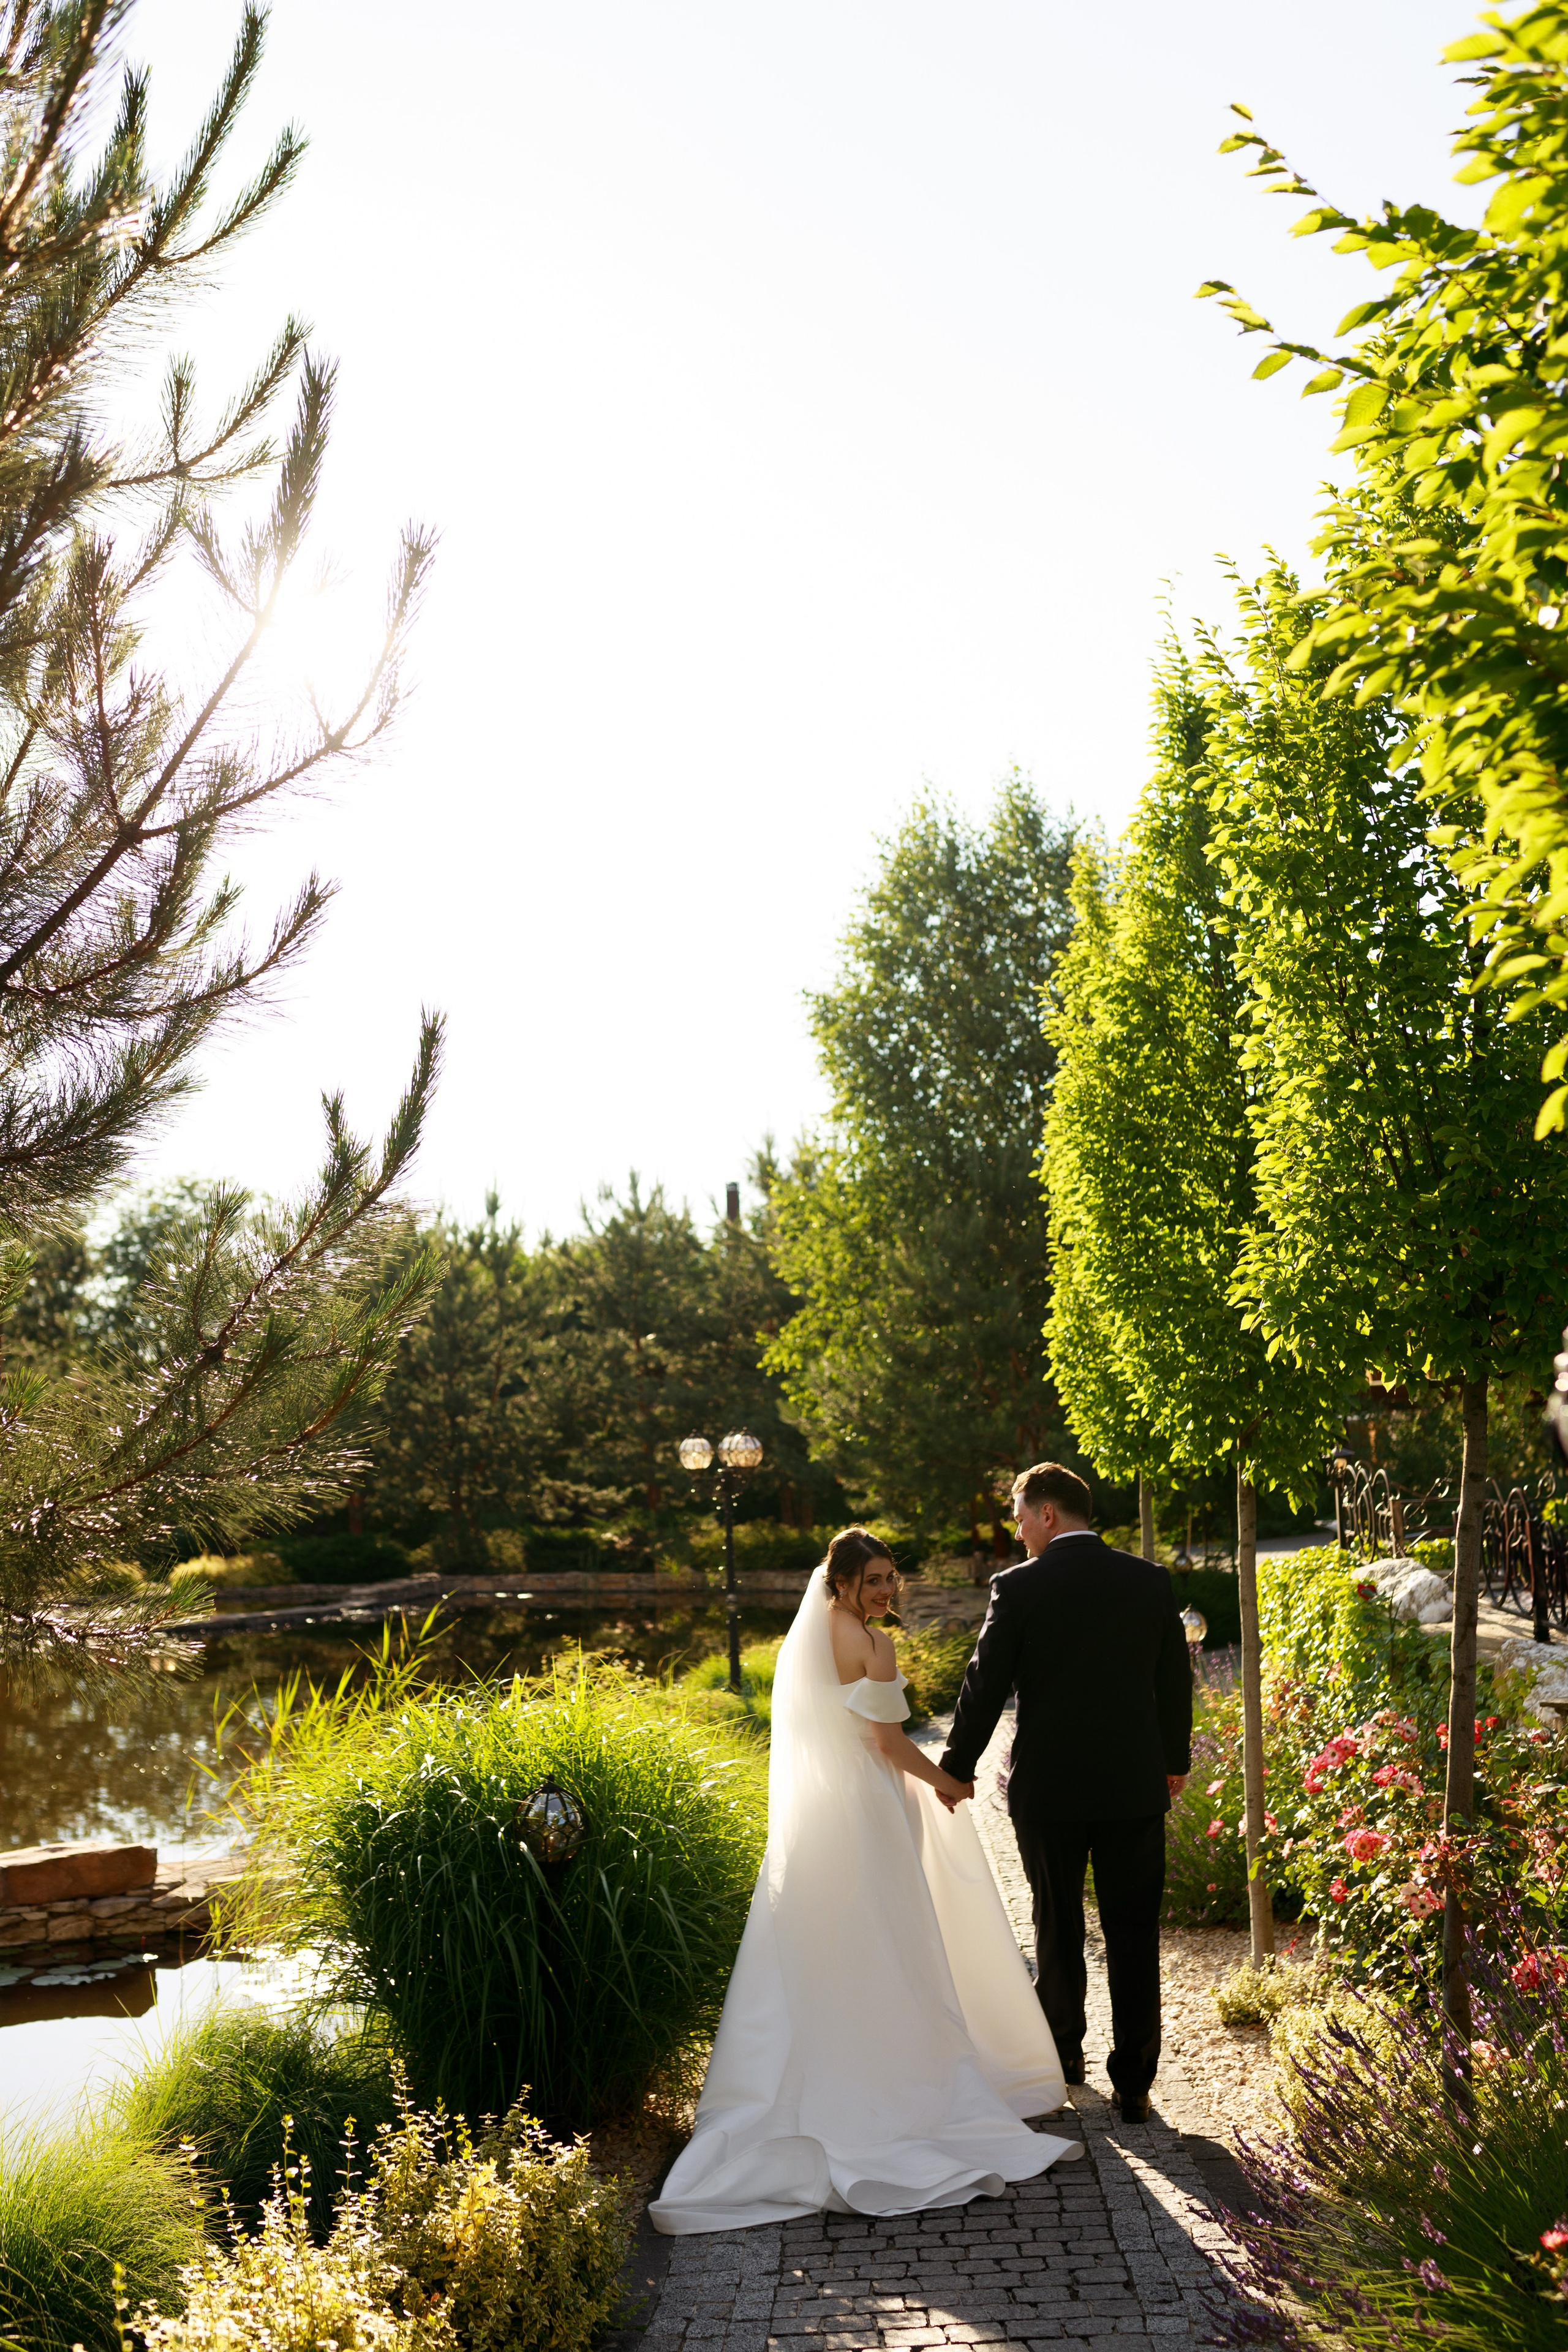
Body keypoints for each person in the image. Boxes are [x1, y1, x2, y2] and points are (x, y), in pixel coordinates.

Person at [649, 1526, 1082, 2234]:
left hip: (823, 1813)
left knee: (835, 1940)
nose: (886, 1590)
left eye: (891, 1578)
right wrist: (949, 1783)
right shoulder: (871, 1643)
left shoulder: (811, 1633)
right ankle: (895, 2084)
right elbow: (885, 1741)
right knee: (889, 1938)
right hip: (869, 1806)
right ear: (842, 1577)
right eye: (874, 1579)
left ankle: (825, 2070)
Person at [938, 1464, 1192, 2125]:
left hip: (1048, 1789)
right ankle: (1135, 2083)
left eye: (1020, 1515)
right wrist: (1173, 1761)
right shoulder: (1149, 1581)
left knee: (1057, 1927)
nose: (1016, 1529)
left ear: (1048, 1514)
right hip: (1134, 1787)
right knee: (1133, 1933)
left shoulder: (1019, 1588)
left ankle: (1063, 2056)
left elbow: (984, 1684)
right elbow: (1175, 1680)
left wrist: (957, 1766)